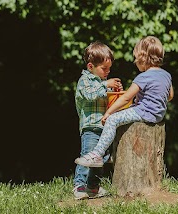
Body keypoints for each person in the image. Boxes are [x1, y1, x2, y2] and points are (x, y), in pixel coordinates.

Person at [75, 36, 174, 168]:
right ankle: (110, 153)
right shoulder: (166, 75)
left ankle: (97, 154)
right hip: (158, 115)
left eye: (136, 58)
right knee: (122, 119)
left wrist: (109, 112)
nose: (135, 62)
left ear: (143, 58)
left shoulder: (143, 77)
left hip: (143, 112)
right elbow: (170, 95)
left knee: (113, 120)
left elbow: (126, 98)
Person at [73, 41, 123, 200]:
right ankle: (79, 186)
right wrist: (106, 85)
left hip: (104, 128)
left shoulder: (102, 84)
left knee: (99, 159)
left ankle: (93, 188)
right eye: (104, 69)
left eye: (109, 69)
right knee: (88, 156)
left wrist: (115, 94)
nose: (107, 72)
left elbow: (109, 102)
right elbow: (90, 95)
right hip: (90, 128)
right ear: (90, 67)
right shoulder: (85, 81)